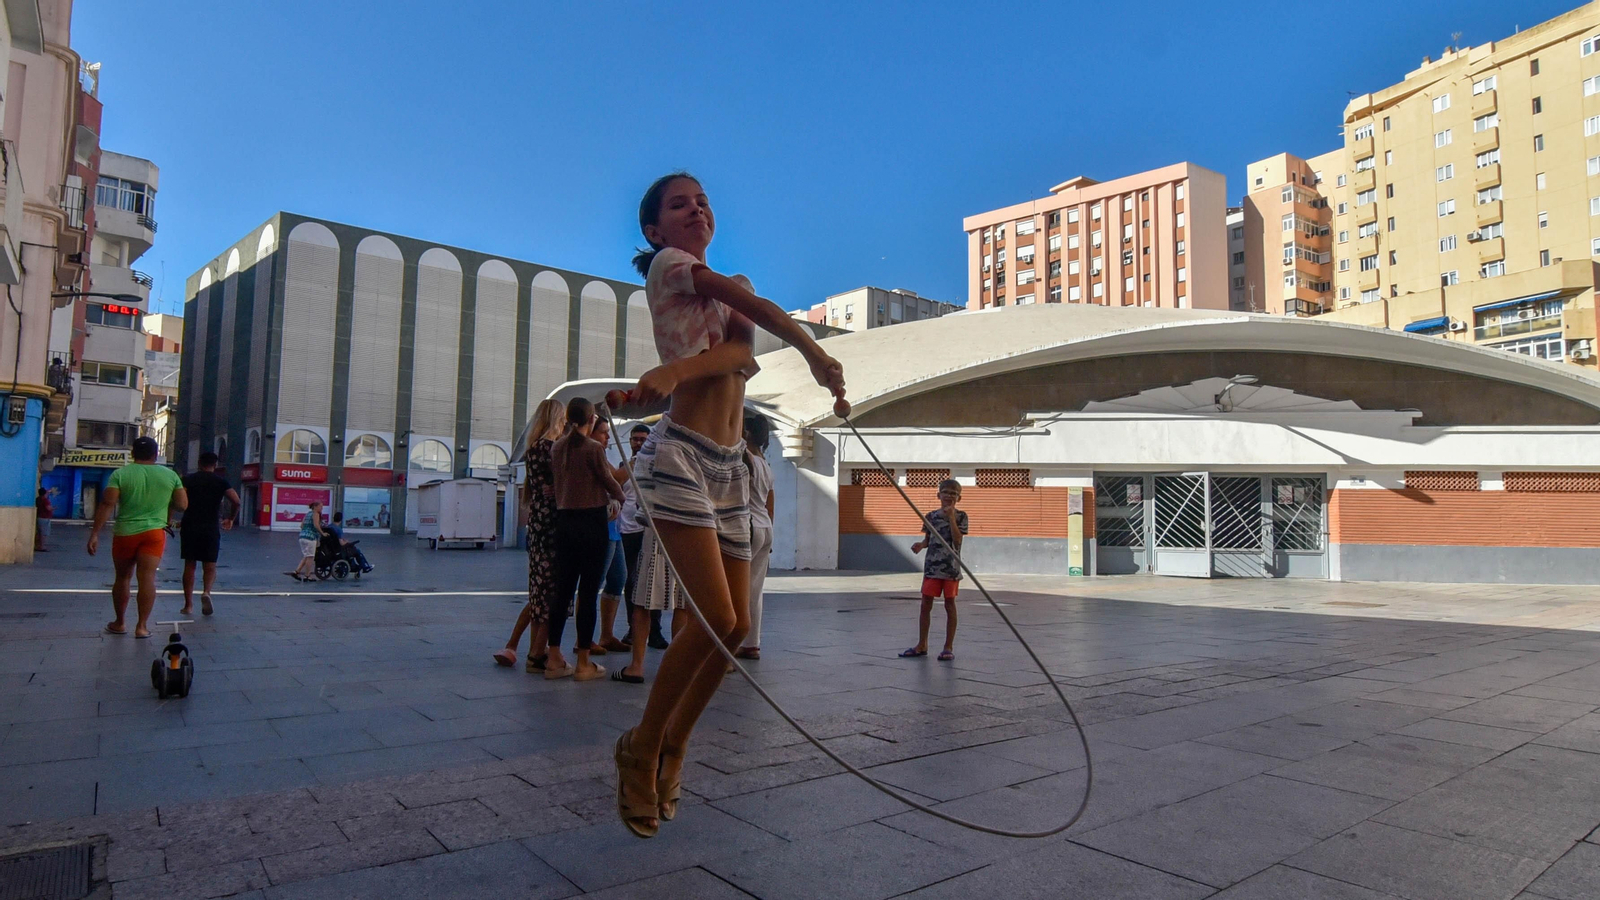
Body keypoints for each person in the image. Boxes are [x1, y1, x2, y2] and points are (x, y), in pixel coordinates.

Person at [613, 172, 845, 838]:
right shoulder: (670, 266)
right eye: (679, 204)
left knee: (736, 627)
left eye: (704, 201)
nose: (697, 209)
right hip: (681, 455)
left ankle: (675, 744)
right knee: (714, 616)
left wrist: (814, 356)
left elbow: (742, 348)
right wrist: (811, 353)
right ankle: (641, 746)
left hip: (732, 467)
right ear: (655, 229)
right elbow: (744, 325)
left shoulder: (733, 286)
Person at [547, 397, 626, 682]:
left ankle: (553, 658)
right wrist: (620, 497)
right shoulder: (593, 449)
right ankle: (583, 662)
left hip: (564, 522)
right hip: (591, 522)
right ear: (591, 419)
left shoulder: (557, 447)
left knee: (563, 591)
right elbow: (608, 480)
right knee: (589, 592)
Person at [87, 436, 187, 639]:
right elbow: (182, 505)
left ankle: (120, 623)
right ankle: (141, 627)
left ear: (133, 453)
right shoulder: (170, 475)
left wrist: (95, 534)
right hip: (154, 534)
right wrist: (164, 503)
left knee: (123, 577)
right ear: (155, 454)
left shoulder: (120, 474)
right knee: (147, 578)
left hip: (125, 533)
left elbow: (107, 504)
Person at [494, 398, 564, 672]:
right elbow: (564, 484)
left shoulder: (533, 449)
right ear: (557, 419)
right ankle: (535, 654)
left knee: (538, 593)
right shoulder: (552, 448)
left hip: (537, 526)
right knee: (549, 594)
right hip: (553, 527)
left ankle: (526, 649)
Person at [900, 479, 968, 662]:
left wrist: (951, 517)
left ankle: (948, 647)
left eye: (953, 493)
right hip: (932, 567)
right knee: (925, 605)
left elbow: (957, 540)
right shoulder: (930, 517)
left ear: (959, 498)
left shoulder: (961, 516)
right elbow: (928, 539)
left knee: (949, 604)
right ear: (939, 495)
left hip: (951, 568)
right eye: (945, 492)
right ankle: (922, 644)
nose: (949, 496)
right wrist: (921, 545)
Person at [179, 451, 240, 616]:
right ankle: (206, 592)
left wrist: (171, 518)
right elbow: (236, 501)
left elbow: (178, 500)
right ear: (215, 464)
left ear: (199, 463)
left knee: (190, 564)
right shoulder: (221, 482)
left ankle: (188, 605)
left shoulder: (188, 480)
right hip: (210, 527)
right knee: (210, 564)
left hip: (190, 525)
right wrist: (231, 518)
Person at [737, 412, 775, 661]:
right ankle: (752, 644)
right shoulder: (765, 463)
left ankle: (733, 642)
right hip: (765, 527)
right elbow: (771, 503)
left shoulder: (744, 459)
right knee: (755, 590)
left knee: (738, 588)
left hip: (747, 527)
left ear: (747, 433)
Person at [592, 417, 631, 655]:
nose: (607, 437)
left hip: (613, 527)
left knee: (618, 578)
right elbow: (616, 478)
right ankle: (585, 639)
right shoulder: (592, 454)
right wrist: (634, 463)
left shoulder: (602, 455)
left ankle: (606, 635)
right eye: (603, 432)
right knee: (594, 582)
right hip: (601, 527)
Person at [288, 500, 325, 581]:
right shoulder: (316, 514)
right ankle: (307, 575)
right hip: (310, 538)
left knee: (306, 556)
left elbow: (302, 525)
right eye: (320, 506)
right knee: (310, 557)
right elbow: (316, 525)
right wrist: (322, 533)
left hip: (302, 537)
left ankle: (296, 571)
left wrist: (306, 530)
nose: (322, 508)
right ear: (315, 507)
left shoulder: (308, 514)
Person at [34, 487, 52, 552]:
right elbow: (48, 508)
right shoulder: (45, 500)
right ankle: (42, 546)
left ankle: (38, 545)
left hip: (39, 517)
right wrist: (54, 508)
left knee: (39, 532)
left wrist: (48, 491)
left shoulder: (37, 499)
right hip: (45, 518)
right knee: (44, 533)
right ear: (44, 493)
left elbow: (46, 493)